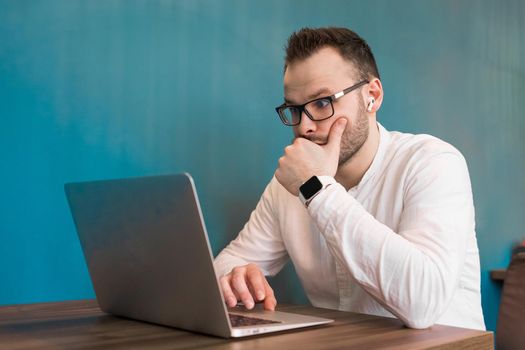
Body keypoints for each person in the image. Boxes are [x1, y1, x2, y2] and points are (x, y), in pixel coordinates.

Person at [213, 27, 485, 330]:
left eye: (321, 103)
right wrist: (232, 276)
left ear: (372, 96)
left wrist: (316, 190)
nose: (304, 127)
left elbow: (422, 303)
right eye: (294, 108)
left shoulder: (433, 163)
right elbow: (229, 261)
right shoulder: (289, 184)